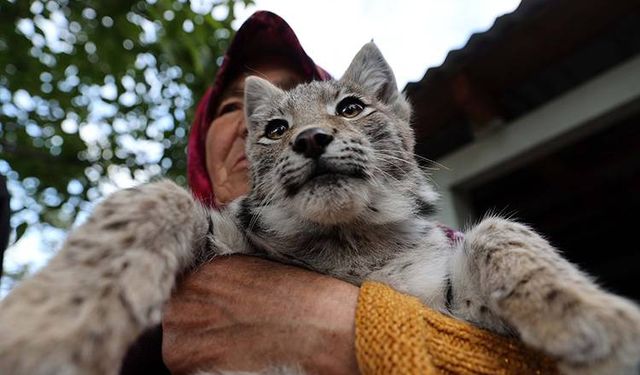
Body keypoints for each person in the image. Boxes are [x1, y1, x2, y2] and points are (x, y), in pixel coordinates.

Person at [122, 11, 557, 375]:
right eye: (252, 115)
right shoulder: (138, 301)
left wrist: (352, 329)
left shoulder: (457, 256)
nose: (304, 132)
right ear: (199, 146)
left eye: (338, 108)